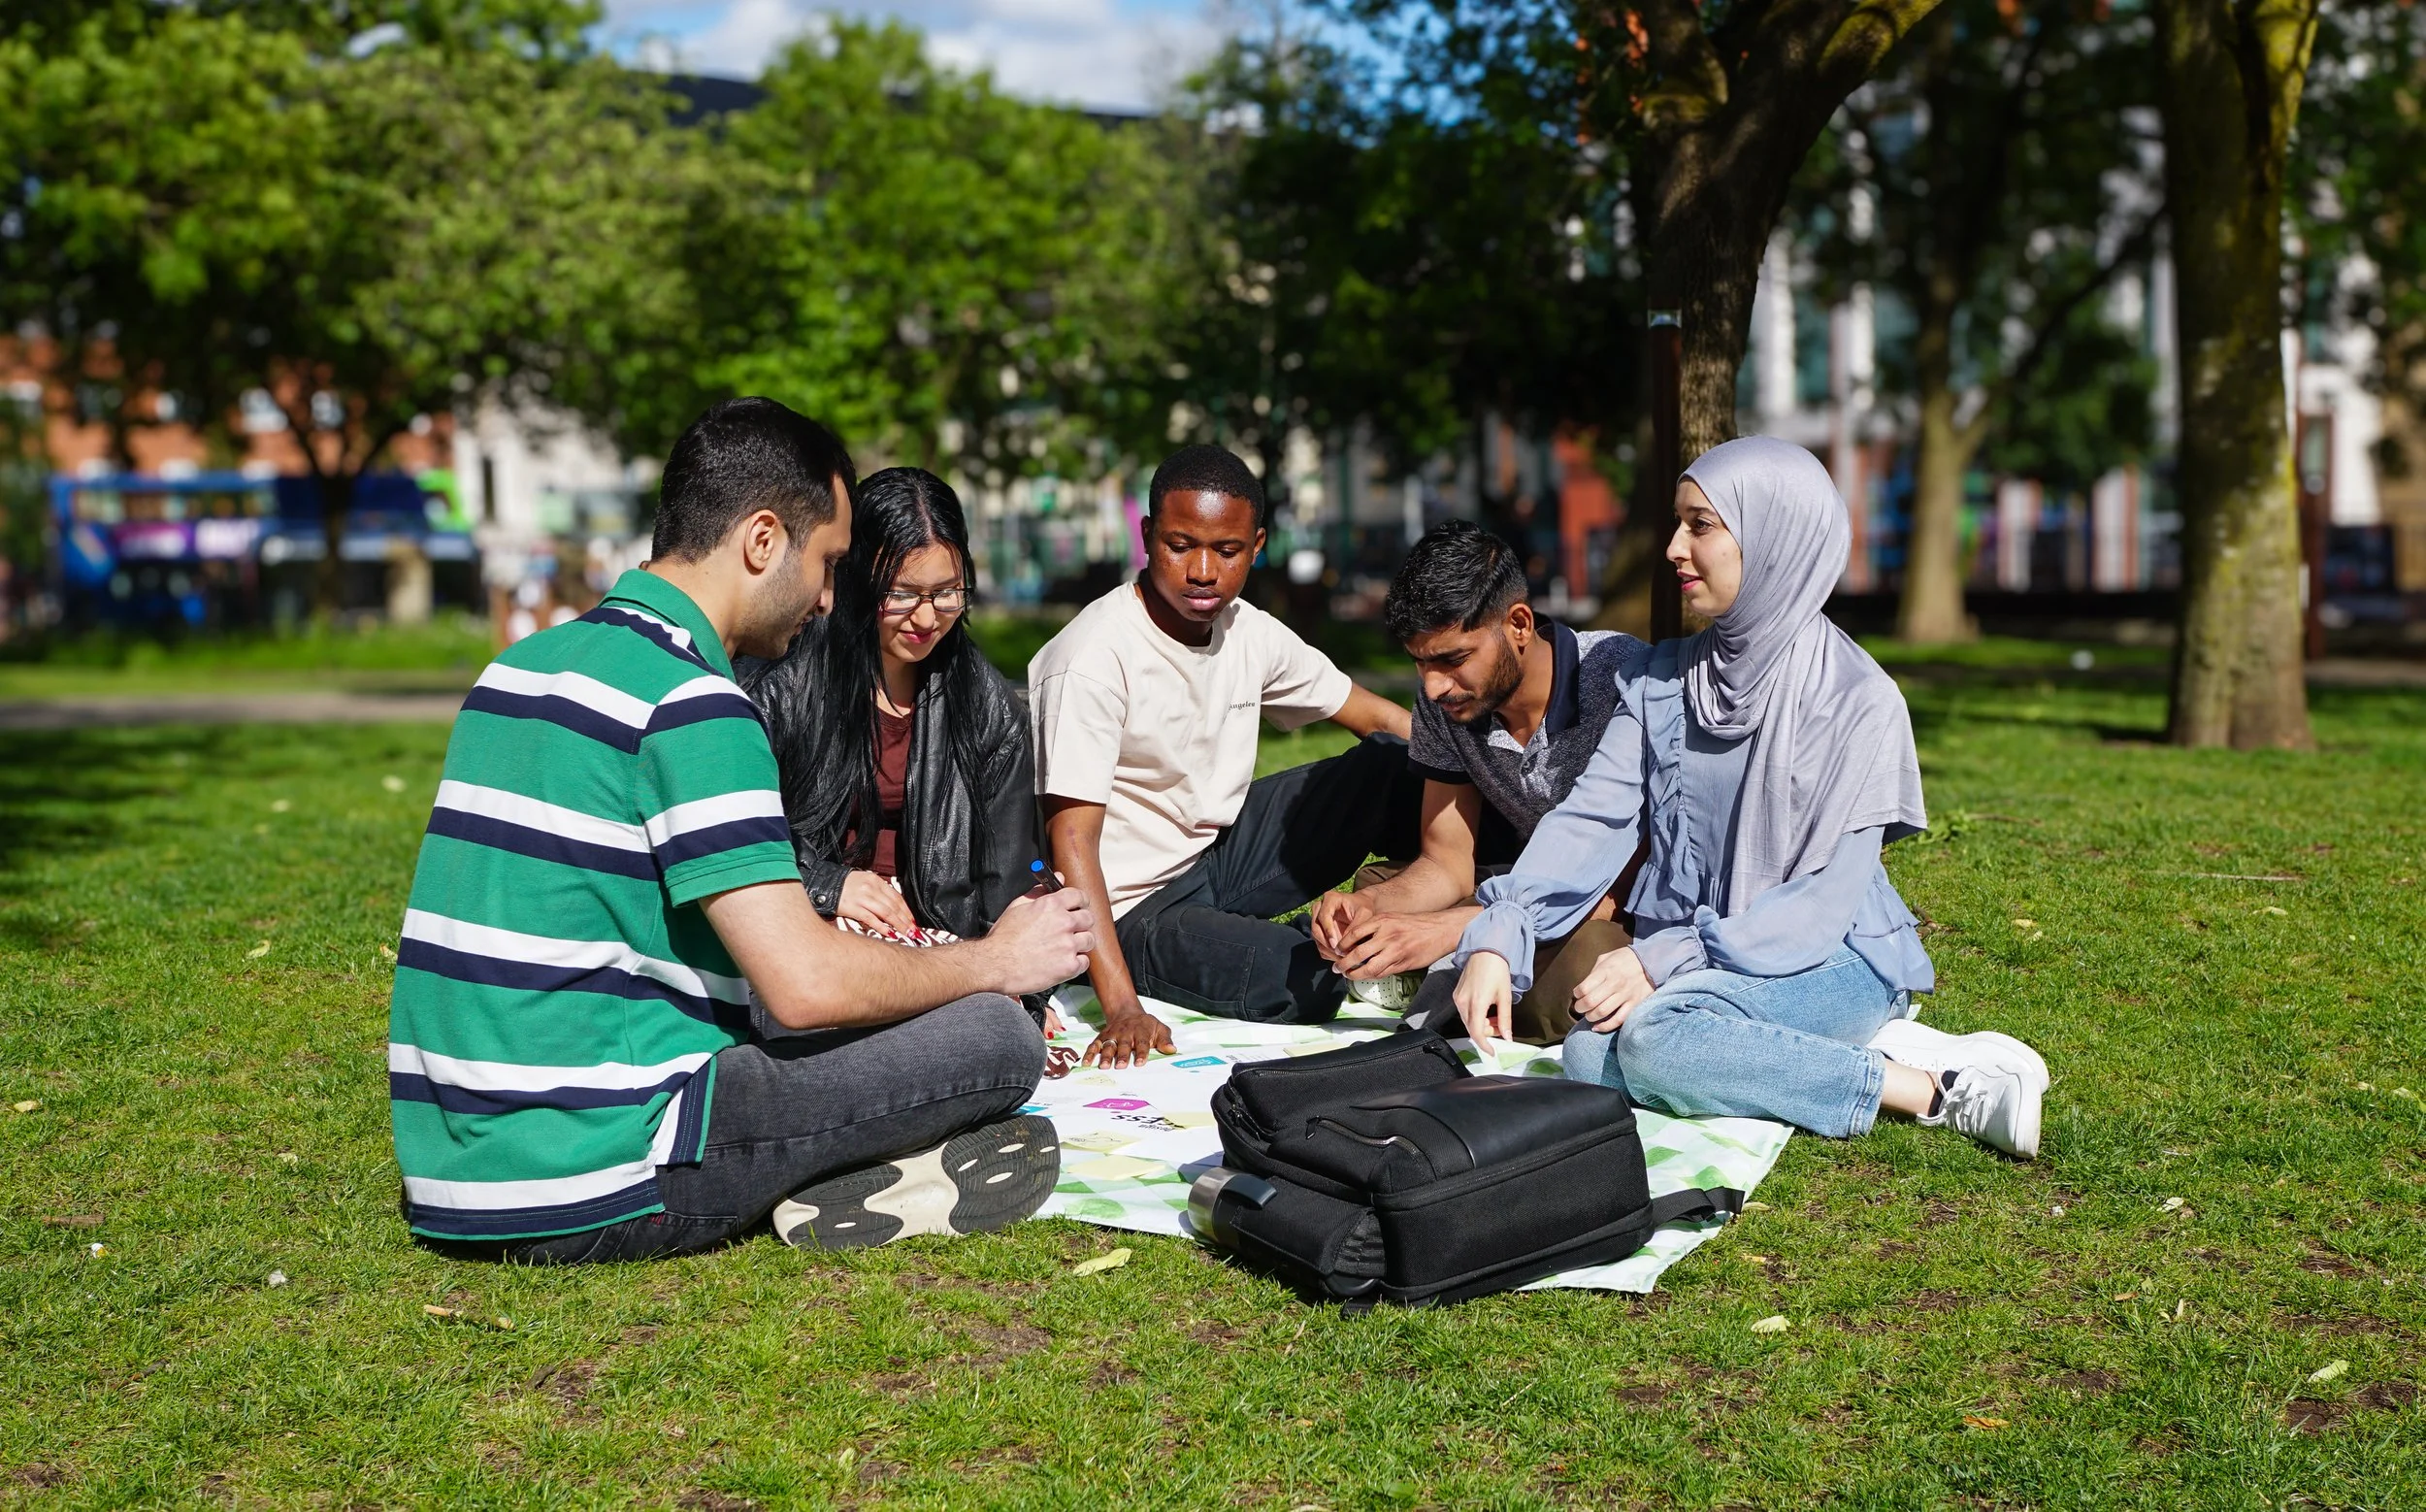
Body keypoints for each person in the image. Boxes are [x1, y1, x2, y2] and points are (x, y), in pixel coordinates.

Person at [388, 398, 1097, 1263]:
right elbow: (803, 985)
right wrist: (998, 963)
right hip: (601, 1177)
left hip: (453, 1175)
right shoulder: (693, 702)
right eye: (830, 561)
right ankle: (868, 1168)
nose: (832, 597)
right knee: (995, 1038)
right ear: (764, 541)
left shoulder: (518, 668)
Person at [1449, 437, 2049, 1156]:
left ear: (1775, 534)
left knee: (1648, 1042)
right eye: (1677, 523)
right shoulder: (1661, 681)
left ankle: (1937, 1088)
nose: (1674, 546)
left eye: (1700, 525)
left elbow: (1823, 907)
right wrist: (1501, 929)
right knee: (1588, 1055)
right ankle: (1793, 1052)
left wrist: (1657, 959)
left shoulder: (1860, 700)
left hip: (1831, 959)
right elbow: (1590, 821)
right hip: (1698, 966)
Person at [1030, 444, 1420, 1067]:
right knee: (1302, 981)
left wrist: (1491, 775)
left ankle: (1460, 902)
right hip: (1131, 906)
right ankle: (1322, 943)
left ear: (1257, 545)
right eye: (1181, 546)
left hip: (1215, 857)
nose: (1204, 571)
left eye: (1228, 550)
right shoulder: (1091, 660)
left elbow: (1374, 714)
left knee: (1394, 762)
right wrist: (1123, 1007)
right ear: (1147, 535)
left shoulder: (1246, 629)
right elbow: (1069, 845)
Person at [1308, 522, 1646, 1044]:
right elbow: (1445, 861)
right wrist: (1372, 910)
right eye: (1420, 663)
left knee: (1584, 967)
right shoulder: (1444, 701)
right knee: (1379, 890)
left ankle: (1451, 978)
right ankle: (1452, 976)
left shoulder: (1620, 678)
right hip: (1522, 886)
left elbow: (1619, 887)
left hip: (1617, 903)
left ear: (1518, 624)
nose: (1435, 685)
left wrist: (1458, 929)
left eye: (1453, 659)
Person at [740, 467, 1037, 948]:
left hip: (939, 944)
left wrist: (1023, 986)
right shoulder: (783, 681)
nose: (926, 617)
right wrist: (829, 885)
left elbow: (1008, 878)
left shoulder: (989, 707)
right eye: (902, 594)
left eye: (946, 593)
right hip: (807, 927)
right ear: (860, 579)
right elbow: (738, 829)